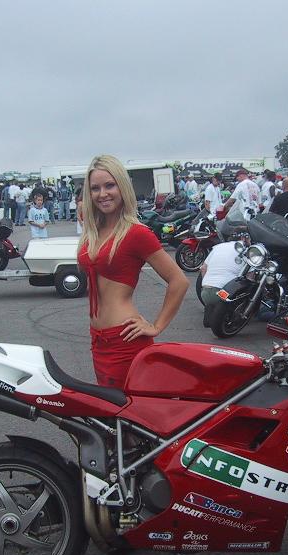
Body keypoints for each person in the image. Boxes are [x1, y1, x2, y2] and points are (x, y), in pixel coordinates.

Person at [77, 155, 188, 389]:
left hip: (125, 341)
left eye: (109, 185)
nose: (102, 194)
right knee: (109, 409)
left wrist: (156, 326)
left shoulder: (136, 233)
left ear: (122, 186)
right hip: (98, 340)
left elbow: (179, 281)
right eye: (95, 188)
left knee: (129, 408)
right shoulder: (93, 231)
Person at [199, 237, 246, 328]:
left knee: (214, 298)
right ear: (244, 238)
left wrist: (206, 284)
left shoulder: (218, 247)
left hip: (205, 291)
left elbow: (203, 269)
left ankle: (212, 310)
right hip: (224, 294)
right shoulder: (246, 250)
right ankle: (229, 317)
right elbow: (250, 277)